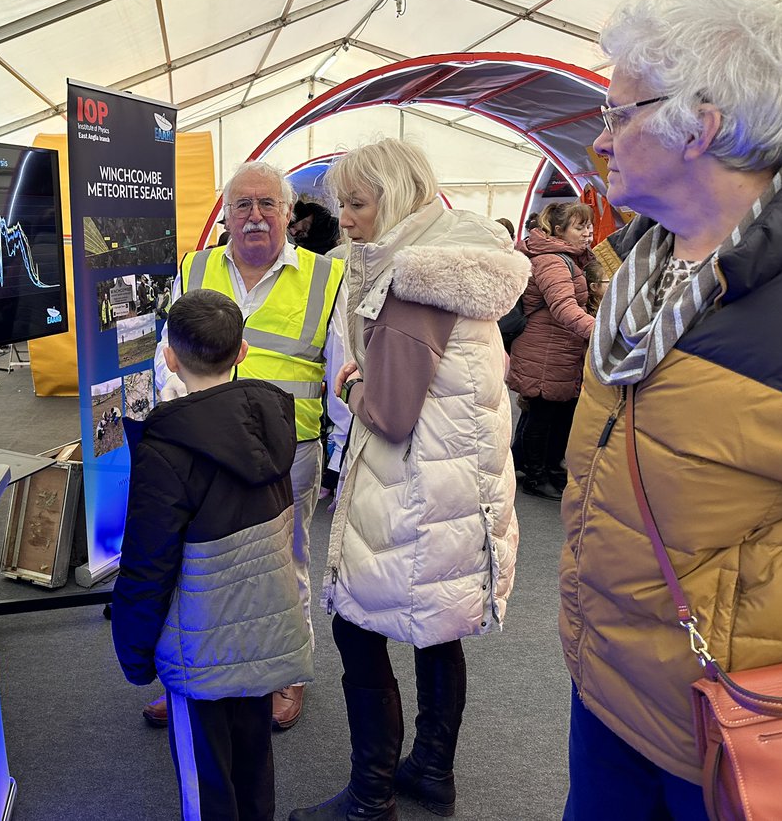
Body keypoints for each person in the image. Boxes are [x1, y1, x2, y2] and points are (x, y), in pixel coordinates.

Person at [560, 0, 782, 820]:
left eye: (619, 114)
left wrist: (737, 605)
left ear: (701, 125)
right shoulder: (640, 276)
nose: (603, 141)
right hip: (608, 686)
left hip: (733, 722)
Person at [291, 139, 526, 821]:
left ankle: (370, 798)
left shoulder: (412, 281)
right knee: (437, 630)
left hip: (413, 493)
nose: (348, 220)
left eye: (357, 204)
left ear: (394, 199)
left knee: (358, 631)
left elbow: (391, 415)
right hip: (459, 489)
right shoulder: (465, 262)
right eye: (342, 206)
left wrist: (353, 382)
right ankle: (429, 771)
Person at [146, 161, 349, 731]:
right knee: (197, 567)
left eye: (268, 205)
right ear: (228, 213)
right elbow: (170, 353)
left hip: (287, 453)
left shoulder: (324, 278)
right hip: (200, 449)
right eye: (242, 205)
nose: (255, 217)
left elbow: (338, 373)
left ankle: (285, 676)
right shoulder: (197, 266)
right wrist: (174, 427)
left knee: (288, 565)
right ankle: (190, 674)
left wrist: (338, 458)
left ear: (291, 214)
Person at [112, 289, 313, 821]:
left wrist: (134, 654)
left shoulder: (164, 448)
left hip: (199, 645)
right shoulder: (273, 421)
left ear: (170, 357)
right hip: (263, 633)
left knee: (206, 783)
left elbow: (146, 563)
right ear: (243, 351)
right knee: (254, 760)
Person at [505, 202, 595, 500]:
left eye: (589, 226)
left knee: (552, 413)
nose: (588, 233)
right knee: (546, 414)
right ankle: (537, 476)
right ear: (559, 230)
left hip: (555, 347)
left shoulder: (567, 257)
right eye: (580, 227)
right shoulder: (554, 261)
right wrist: (600, 332)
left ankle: (546, 471)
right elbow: (564, 308)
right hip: (546, 349)